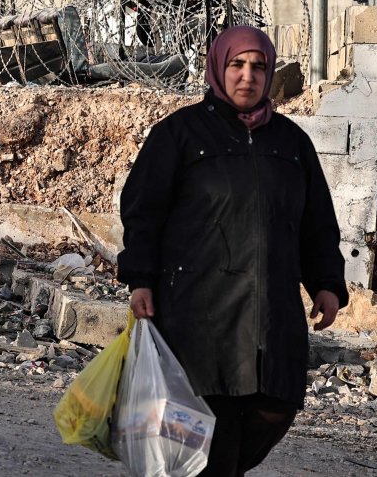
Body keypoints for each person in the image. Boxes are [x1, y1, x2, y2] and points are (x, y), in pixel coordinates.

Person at [117, 25, 348, 477]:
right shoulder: (180, 134)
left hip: (271, 310)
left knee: (275, 407)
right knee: (212, 424)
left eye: (259, 66)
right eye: (237, 65)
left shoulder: (290, 142)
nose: (248, 76)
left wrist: (326, 284)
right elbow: (143, 211)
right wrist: (140, 277)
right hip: (198, 311)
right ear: (217, 69)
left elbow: (317, 223)